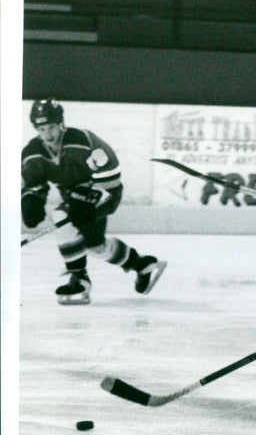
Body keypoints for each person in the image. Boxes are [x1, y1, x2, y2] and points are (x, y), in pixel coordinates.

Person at [21, 97, 167, 305]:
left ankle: (79, 278)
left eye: (51, 127)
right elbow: (34, 184)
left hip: (105, 193)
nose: (47, 134)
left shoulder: (83, 141)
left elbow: (111, 173)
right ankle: (142, 264)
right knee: (94, 245)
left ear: (60, 123)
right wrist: (31, 201)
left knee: (60, 215)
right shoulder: (32, 153)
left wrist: (89, 198)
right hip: (74, 198)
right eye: (41, 128)